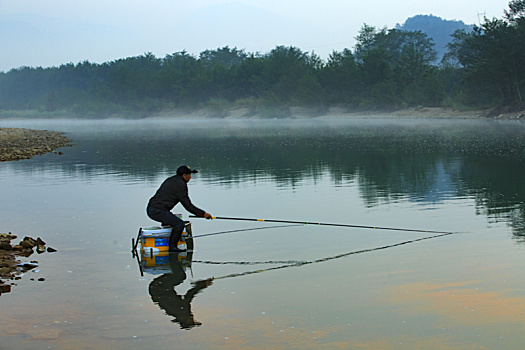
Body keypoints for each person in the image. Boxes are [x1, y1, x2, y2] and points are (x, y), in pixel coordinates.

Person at [147, 165, 212, 253]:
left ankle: (166, 245)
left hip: (153, 209)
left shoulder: (171, 180)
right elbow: (188, 206)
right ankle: (172, 248)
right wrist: (203, 213)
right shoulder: (181, 185)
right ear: (184, 175)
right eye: (189, 174)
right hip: (157, 210)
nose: (190, 177)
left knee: (172, 222)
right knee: (179, 224)